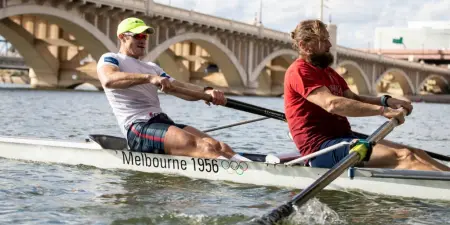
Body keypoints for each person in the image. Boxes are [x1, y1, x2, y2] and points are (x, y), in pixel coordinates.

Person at [284, 19, 449, 171]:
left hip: (344, 139)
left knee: (415, 152)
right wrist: (382, 111)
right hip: (321, 150)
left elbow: (354, 99)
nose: (329, 44)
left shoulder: (329, 72)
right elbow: (332, 104)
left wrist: (386, 101)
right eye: (324, 40)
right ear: (305, 46)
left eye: (328, 38)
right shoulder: (299, 71)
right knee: (405, 156)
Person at [96, 17, 250, 162]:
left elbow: (180, 87)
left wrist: (206, 91)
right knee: (203, 147)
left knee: (218, 146)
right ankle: (240, 173)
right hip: (138, 129)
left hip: (161, 121)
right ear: (123, 37)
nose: (143, 40)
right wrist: (149, 78)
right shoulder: (111, 58)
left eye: (145, 37)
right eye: (138, 36)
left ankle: (248, 166)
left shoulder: (152, 67)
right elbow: (108, 79)